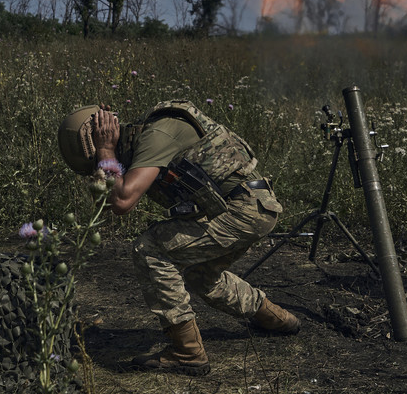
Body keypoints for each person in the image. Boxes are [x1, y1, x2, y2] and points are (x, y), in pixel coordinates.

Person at [57, 100, 301, 376]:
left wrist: (104, 150)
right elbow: (111, 201)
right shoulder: (143, 144)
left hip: (244, 208)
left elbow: (123, 201)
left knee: (150, 248)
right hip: (245, 209)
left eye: (97, 166)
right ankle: (279, 320)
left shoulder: (155, 135)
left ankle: (187, 352)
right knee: (201, 277)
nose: (100, 170)